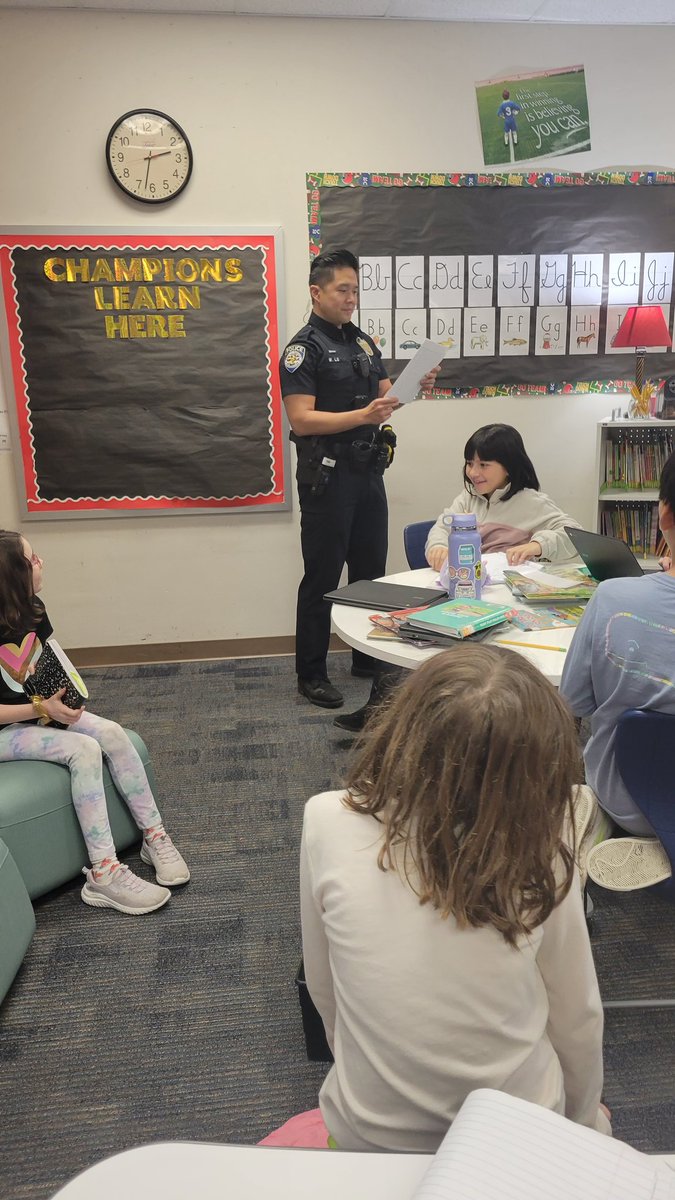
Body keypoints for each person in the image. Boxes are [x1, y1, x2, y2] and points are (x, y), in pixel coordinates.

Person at [275, 647, 610, 1151]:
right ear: (539, 767)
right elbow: (576, 1014)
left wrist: (368, 1081)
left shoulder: (325, 818)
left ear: (401, 726)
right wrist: (585, 1126)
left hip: (366, 1133)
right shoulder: (543, 835)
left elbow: (325, 987)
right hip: (516, 1139)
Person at [279, 248, 438, 710]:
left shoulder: (363, 342)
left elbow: (385, 401)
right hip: (327, 478)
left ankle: (368, 658)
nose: (351, 299)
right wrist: (361, 414)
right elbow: (302, 419)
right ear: (317, 292)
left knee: (370, 572)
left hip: (368, 472)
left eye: (355, 290)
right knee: (323, 577)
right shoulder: (302, 349)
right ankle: (310, 674)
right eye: (342, 290)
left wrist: (415, 390)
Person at [0, 530, 189, 915]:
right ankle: (103, 874)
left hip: (39, 713)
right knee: (84, 749)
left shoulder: (33, 608)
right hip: (7, 730)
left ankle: (154, 836)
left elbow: (50, 661)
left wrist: (68, 700)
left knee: (112, 733)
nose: (41, 563)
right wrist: (42, 710)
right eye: (33, 560)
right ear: (12, 575)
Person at [560, 450, 675, 892]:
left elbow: (572, 702)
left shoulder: (612, 598)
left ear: (663, 513)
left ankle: (614, 836)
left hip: (627, 799)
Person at [426, 423, 581, 573]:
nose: (473, 472)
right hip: (471, 583)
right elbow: (442, 528)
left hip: (510, 589)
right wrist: (438, 547)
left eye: (483, 465)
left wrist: (538, 545)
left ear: (508, 467)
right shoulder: (467, 498)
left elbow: (575, 535)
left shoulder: (530, 502)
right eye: (469, 463)